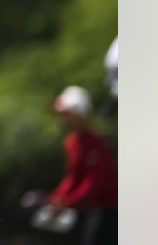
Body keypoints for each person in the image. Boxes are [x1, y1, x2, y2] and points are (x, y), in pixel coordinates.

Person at [44, 85, 118, 245]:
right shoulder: (72, 143)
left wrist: (67, 202)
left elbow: (94, 183)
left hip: (110, 210)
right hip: (90, 209)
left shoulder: (95, 144)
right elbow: (73, 177)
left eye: (67, 114)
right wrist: (57, 197)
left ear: (78, 114)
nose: (64, 119)